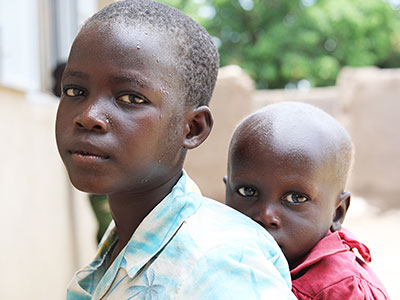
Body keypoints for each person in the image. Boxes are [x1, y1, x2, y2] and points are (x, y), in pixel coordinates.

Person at [55, 1, 296, 299]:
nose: (88, 115)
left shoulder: (220, 264)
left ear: (192, 128)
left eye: (131, 98)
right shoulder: (125, 239)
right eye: (74, 91)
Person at [225, 101, 390, 299]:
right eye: (247, 191)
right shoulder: (222, 257)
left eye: (296, 198)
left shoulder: (342, 289)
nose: (266, 215)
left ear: (337, 213)